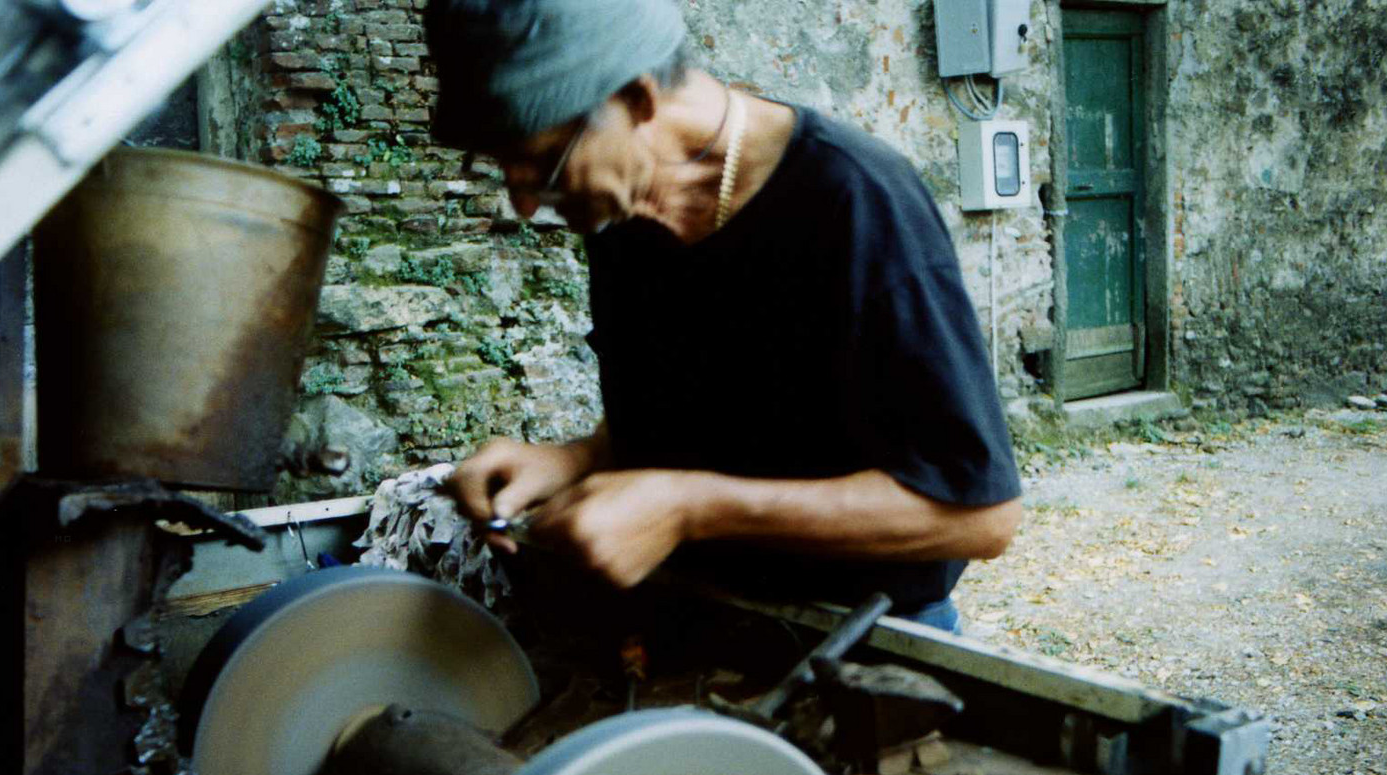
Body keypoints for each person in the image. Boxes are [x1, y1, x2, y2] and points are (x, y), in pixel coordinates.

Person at [425, 0, 1022, 632]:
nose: (522, 203)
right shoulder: (621, 210)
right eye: (502, 168)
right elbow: (694, 414)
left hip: (861, 646)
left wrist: (689, 509)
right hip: (699, 617)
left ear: (637, 100)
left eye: (541, 162)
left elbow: (980, 517)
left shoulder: (858, 202)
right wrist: (572, 460)